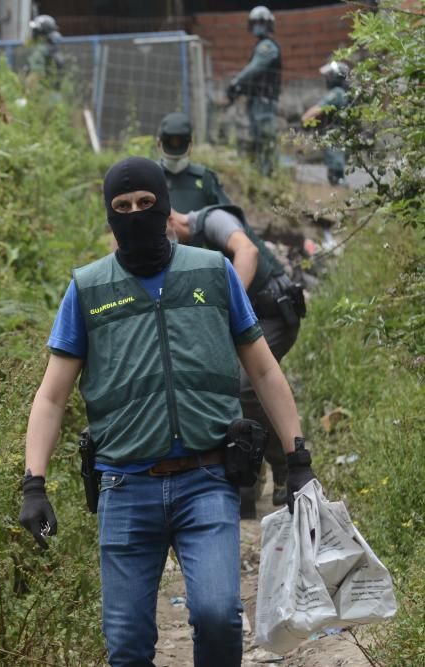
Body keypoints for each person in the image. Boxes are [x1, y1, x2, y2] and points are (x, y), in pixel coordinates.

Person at [17, 157, 317, 666]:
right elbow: (51, 396)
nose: (134, 214)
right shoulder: (88, 289)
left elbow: (264, 372)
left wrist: (298, 458)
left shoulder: (212, 272)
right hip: (124, 486)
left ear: (165, 207)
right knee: (128, 644)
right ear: (109, 217)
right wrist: (33, 484)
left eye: (145, 204)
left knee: (219, 615)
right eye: (122, 207)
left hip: (207, 478)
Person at [159, 111, 301, 516]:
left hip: (274, 310)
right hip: (251, 312)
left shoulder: (211, 218)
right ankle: (247, 482)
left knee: (244, 387)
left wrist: (223, 303)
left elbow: (248, 251)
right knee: (231, 388)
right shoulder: (177, 252)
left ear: (173, 221)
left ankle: (277, 467)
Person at [227, 6, 281, 176]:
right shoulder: (260, 46)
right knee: (257, 138)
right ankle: (261, 173)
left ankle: (270, 173)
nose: (258, 26)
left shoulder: (267, 47)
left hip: (264, 101)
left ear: (269, 24)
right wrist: (240, 87)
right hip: (257, 100)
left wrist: (236, 81)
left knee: (266, 138)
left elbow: (255, 68)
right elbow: (254, 74)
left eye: (261, 22)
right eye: (255, 22)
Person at [302, 61, 351, 186]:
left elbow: (317, 110)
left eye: (329, 75)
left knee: (336, 173)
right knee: (334, 170)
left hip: (334, 135)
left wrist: (305, 119)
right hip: (338, 134)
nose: (327, 79)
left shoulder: (336, 93)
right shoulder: (343, 92)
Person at [25, 14, 64, 81]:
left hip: (41, 89)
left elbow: (36, 74)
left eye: (35, 30)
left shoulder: (41, 50)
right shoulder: (53, 48)